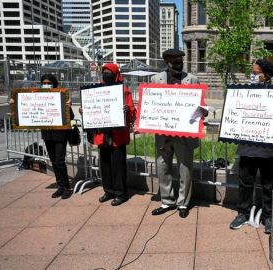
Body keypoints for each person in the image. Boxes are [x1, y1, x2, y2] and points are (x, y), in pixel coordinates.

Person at [229, 59, 273, 234]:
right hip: (248, 147)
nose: (252, 75)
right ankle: (242, 212)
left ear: (266, 76)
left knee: (269, 184)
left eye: (256, 72)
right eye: (252, 72)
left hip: (270, 149)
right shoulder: (243, 93)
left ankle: (269, 216)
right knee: (245, 183)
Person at [150, 48, 207, 218]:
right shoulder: (155, 79)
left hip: (184, 134)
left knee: (185, 168)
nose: (179, 63)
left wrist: (203, 111)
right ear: (166, 61)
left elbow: (200, 105)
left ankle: (183, 203)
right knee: (162, 166)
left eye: (181, 60)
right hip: (163, 134)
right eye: (175, 60)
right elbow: (151, 103)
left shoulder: (192, 79)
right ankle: (167, 201)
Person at [9, 74, 74, 199]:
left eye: (48, 82)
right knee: (54, 161)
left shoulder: (61, 96)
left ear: (54, 83)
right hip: (47, 135)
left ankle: (66, 187)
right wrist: (14, 104)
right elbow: (25, 109)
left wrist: (68, 106)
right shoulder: (37, 97)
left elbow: (70, 117)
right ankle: (60, 185)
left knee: (60, 161)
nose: (46, 84)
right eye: (44, 82)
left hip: (60, 135)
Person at [85, 63, 136, 206]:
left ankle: (121, 194)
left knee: (118, 166)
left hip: (117, 136)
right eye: (104, 73)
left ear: (115, 75)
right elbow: (91, 107)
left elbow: (132, 111)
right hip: (102, 135)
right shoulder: (96, 91)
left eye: (109, 73)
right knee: (105, 164)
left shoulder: (123, 90)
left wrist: (127, 109)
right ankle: (108, 191)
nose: (106, 75)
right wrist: (86, 112)